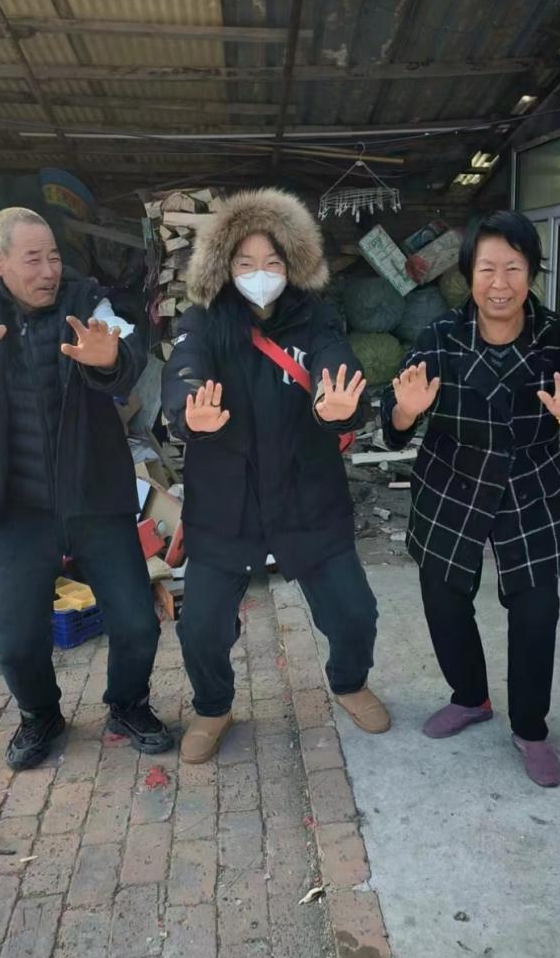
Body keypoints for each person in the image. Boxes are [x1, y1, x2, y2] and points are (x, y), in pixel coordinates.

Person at [0, 206, 170, 770]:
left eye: (53, 257)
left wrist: (111, 362)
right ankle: (40, 716)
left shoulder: (88, 301)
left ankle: (128, 705)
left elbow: (126, 354)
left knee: (136, 622)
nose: (49, 271)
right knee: (18, 642)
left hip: (95, 497)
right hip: (14, 506)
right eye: (33, 259)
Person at [381, 210, 560, 787]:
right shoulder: (441, 337)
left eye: (513, 267)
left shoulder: (559, 338)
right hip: (451, 481)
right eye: (487, 268)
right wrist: (405, 412)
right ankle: (470, 697)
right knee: (443, 598)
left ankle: (531, 729)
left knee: (537, 611)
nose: (500, 283)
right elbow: (396, 418)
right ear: (469, 275)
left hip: (530, 483)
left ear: (532, 272)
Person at [161, 188, 389, 763]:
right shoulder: (203, 321)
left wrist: (338, 404)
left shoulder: (317, 318)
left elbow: (336, 362)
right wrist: (189, 408)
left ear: (293, 265)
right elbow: (185, 366)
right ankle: (213, 707)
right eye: (245, 263)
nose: (259, 274)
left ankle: (350, 682)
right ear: (224, 267)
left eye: (272, 262)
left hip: (306, 495)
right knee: (201, 627)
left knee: (354, 612)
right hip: (226, 503)